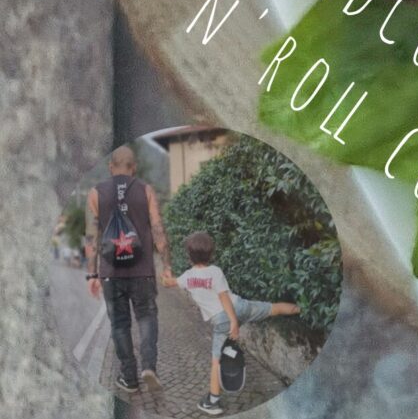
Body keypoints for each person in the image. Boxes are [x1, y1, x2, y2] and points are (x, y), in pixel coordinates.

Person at [174, 230, 301, 413]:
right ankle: (304, 309)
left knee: (216, 360)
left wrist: (233, 322)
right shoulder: (215, 271)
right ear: (211, 253)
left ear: (188, 255)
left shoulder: (186, 277)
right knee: (273, 308)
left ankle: (212, 401)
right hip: (241, 307)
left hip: (224, 319)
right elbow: (227, 297)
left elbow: (221, 298)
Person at [84, 144, 174, 396]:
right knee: (146, 317)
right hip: (143, 271)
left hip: (111, 272)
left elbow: (91, 237)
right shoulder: (145, 190)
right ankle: (149, 367)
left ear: (110, 167)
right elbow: (158, 229)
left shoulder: (94, 193)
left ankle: (130, 377)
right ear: (134, 168)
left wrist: (92, 274)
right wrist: (167, 266)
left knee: (120, 325)